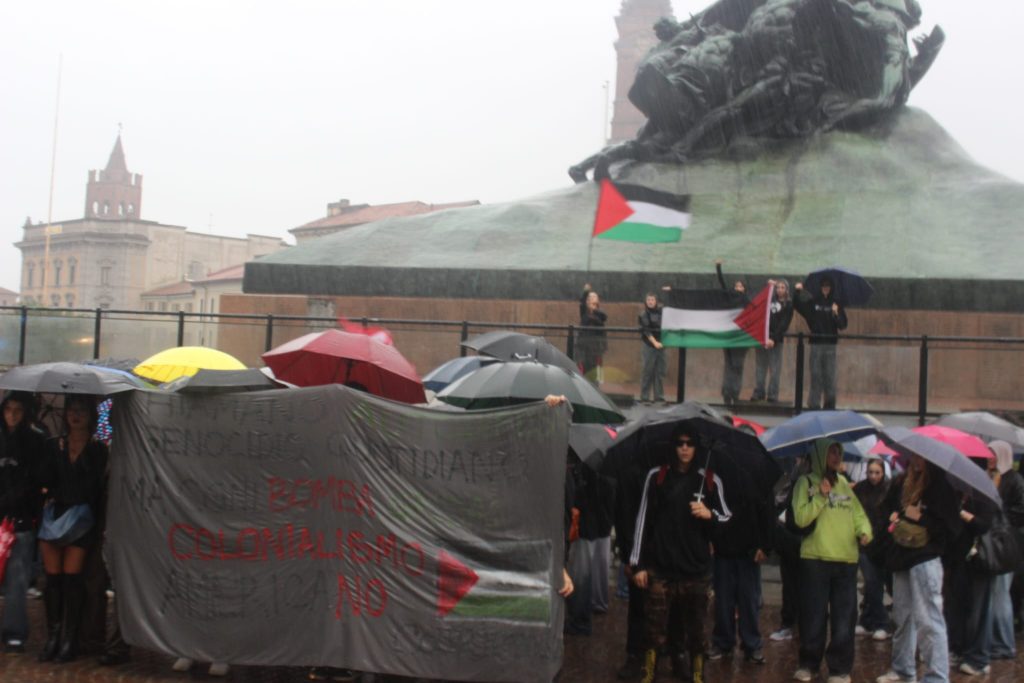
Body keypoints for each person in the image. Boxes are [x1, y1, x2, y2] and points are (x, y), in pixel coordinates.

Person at [630, 425, 732, 683]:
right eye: (679, 443)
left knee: (697, 631)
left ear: (696, 447)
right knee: (654, 628)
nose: (684, 448)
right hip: (661, 567)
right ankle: (648, 672)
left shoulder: (710, 480)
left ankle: (697, 674)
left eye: (689, 443)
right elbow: (643, 520)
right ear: (673, 446)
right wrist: (638, 563)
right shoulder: (657, 477)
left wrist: (710, 515)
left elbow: (727, 521)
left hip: (696, 570)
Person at [790, 439, 872, 683]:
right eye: (831, 452)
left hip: (846, 560)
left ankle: (839, 668)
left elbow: (859, 515)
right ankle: (808, 663)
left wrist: (865, 531)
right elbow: (801, 518)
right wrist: (821, 497)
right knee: (813, 617)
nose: (836, 456)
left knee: (844, 619)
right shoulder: (805, 483)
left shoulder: (845, 484)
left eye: (839, 452)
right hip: (815, 559)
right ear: (819, 455)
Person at [877, 453, 961, 683]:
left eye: (921, 457)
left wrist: (922, 517)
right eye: (914, 456)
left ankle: (937, 676)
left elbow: (949, 527)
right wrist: (894, 519)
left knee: (929, 619)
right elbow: (887, 510)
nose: (916, 460)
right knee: (903, 616)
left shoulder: (940, 487)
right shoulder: (904, 482)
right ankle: (903, 669)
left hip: (926, 558)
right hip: (902, 556)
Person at [36, 395, 108, 663]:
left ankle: (70, 639)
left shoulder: (98, 449)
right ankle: (53, 637)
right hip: (55, 516)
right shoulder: (53, 445)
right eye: (71, 411)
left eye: (81, 411)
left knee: (72, 581)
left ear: (90, 415)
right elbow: (44, 480)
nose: (75, 416)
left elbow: (94, 487)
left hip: (81, 520)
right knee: (53, 582)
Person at [708, 471, 771, 664]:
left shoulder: (757, 475)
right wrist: (709, 537)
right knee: (723, 601)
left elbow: (767, 510)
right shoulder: (717, 472)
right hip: (723, 547)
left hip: (749, 550)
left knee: (749, 602)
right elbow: (711, 506)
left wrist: (766, 545)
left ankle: (752, 644)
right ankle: (723, 641)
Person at [0, 392, 45, 653]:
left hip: (20, 519)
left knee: (17, 578)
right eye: (9, 409)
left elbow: (34, 481)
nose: (13, 415)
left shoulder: (35, 441)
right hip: (11, 515)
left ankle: (14, 631)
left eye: (18, 410)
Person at [988, 441, 1022, 660]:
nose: (988, 457)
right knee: (996, 594)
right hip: (996, 542)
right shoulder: (995, 477)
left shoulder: (1014, 481)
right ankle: (997, 641)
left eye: (992, 453)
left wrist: (999, 516)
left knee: (1001, 594)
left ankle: (1005, 644)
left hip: (1006, 544)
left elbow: (1018, 513)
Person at [794, 277, 847, 410]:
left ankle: (829, 405)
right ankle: (814, 404)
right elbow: (798, 306)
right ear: (820, 287)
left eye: (828, 286)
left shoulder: (836, 303)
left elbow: (843, 325)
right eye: (823, 286)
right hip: (816, 344)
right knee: (816, 375)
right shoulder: (814, 302)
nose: (826, 288)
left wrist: (836, 313)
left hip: (830, 345)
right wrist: (797, 292)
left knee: (830, 376)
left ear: (831, 288)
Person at [852, 458, 891, 640]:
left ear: (883, 473)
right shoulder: (860, 489)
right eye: (871, 472)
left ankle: (879, 621)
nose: (874, 476)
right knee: (871, 582)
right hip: (865, 542)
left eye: (877, 472)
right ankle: (870, 620)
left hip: (882, 544)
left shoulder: (889, 489)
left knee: (874, 583)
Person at [751, 279, 793, 402]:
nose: (779, 290)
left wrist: (773, 338)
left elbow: (784, 324)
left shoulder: (788, 304)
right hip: (763, 339)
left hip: (775, 341)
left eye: (782, 288)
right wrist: (767, 286)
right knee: (760, 367)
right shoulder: (769, 300)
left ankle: (773, 394)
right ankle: (759, 391)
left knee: (775, 368)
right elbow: (757, 303)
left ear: (786, 290)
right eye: (778, 287)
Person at [716, 261, 749, 407]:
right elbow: (722, 285)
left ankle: (735, 394)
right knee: (729, 367)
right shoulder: (729, 298)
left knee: (738, 367)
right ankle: (726, 394)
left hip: (741, 340)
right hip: (729, 339)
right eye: (736, 286)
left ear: (744, 289)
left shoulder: (747, 302)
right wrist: (719, 269)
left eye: (741, 286)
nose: (738, 288)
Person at [576, 284, 608, 383]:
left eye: (594, 296)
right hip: (584, 346)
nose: (592, 298)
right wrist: (586, 292)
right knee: (583, 370)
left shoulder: (600, 313)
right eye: (590, 297)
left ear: (598, 300)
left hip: (596, 347)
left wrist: (594, 309)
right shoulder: (584, 312)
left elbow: (604, 318)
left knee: (595, 372)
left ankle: (594, 390)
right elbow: (581, 303)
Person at [638, 293, 665, 403]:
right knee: (647, 371)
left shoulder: (661, 313)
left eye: (652, 299)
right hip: (649, 346)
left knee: (660, 371)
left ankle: (659, 397)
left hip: (662, 346)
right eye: (648, 299)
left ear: (656, 301)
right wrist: (655, 343)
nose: (650, 301)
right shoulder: (643, 314)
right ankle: (644, 397)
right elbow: (646, 330)